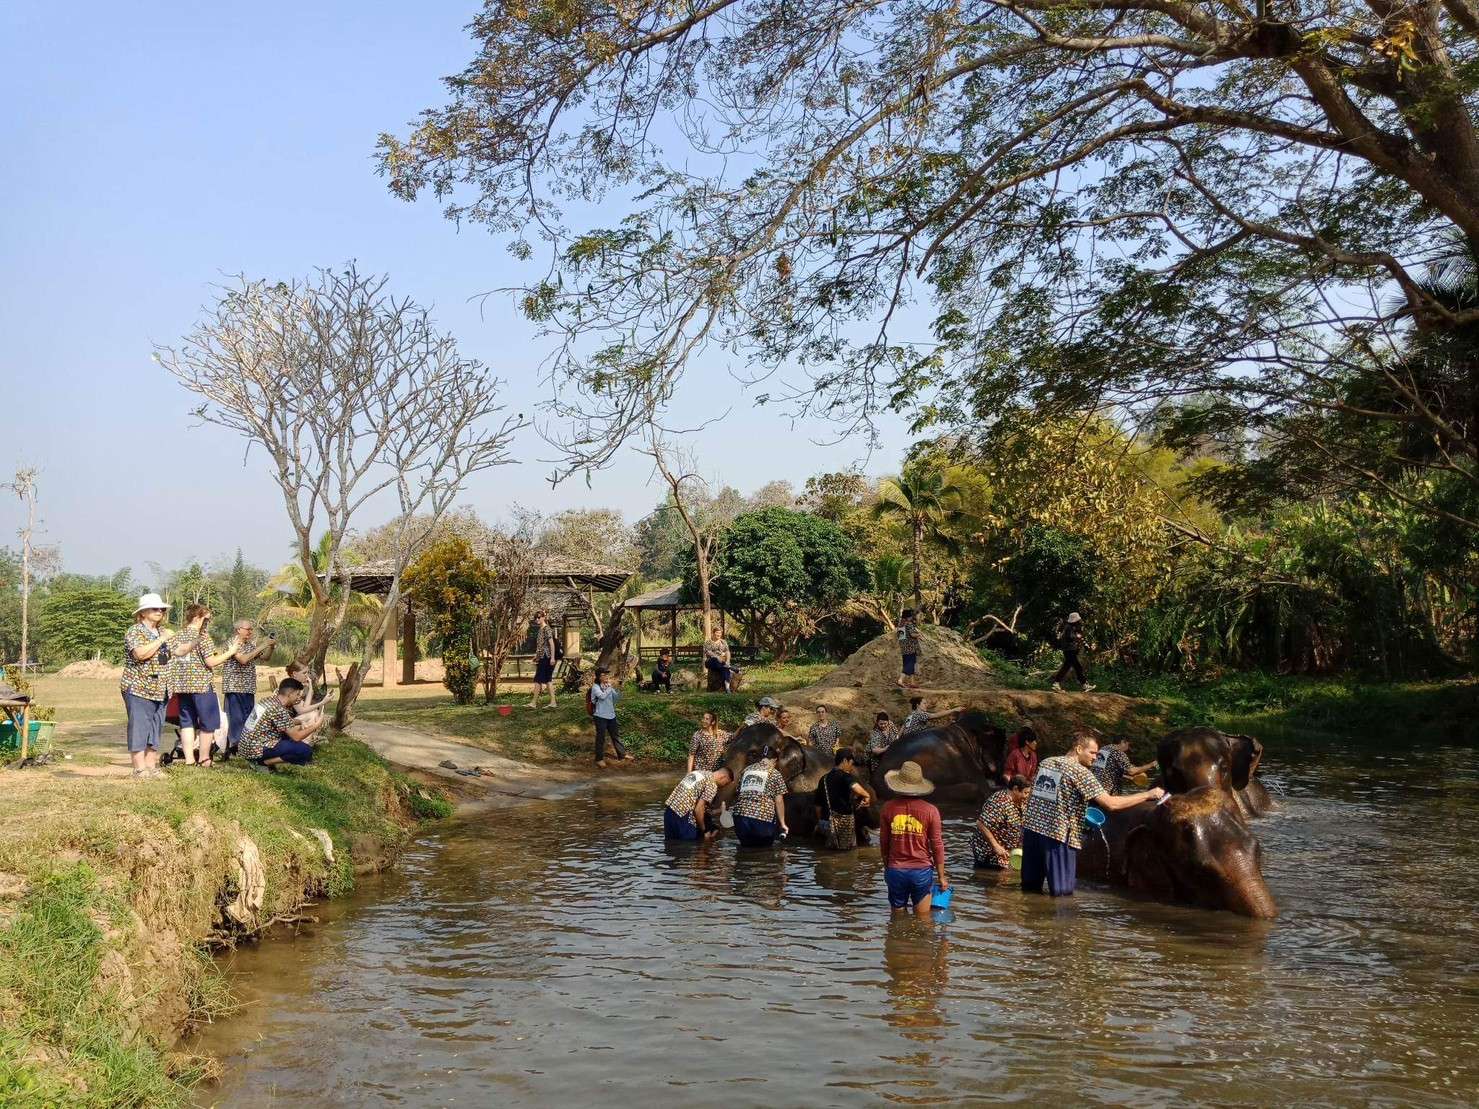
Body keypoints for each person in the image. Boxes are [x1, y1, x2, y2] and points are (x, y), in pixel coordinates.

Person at [1020, 733, 1165, 897]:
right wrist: (1148, 795)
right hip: (1058, 836)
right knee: (1062, 897)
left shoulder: (1047, 762)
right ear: (1079, 749)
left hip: (1031, 832)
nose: (1096, 758)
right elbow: (1111, 804)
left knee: (1029, 892)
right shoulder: (1080, 772)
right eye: (1093, 753)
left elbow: (1041, 795)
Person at [167, 603, 240, 768]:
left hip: (182, 686)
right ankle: (204, 759)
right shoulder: (202, 637)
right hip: (201, 686)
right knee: (207, 724)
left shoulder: (177, 635)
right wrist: (231, 651)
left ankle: (189, 760)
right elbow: (211, 661)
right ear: (197, 617)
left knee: (186, 723)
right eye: (206, 618)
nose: (208, 622)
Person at [878, 761, 949, 916]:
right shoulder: (931, 811)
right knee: (923, 921)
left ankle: (897, 940)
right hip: (921, 872)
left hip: (896, 870)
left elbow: (884, 842)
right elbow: (937, 845)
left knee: (896, 921)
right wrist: (942, 877)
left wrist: (887, 868)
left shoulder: (887, 808)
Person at [121, 593, 175, 779]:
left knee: (155, 728)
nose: (159, 611)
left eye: (162, 609)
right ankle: (139, 768)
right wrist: (161, 640)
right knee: (139, 727)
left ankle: (151, 766)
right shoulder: (134, 631)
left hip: (162, 689)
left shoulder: (163, 632)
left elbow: (178, 651)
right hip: (139, 687)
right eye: (155, 608)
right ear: (143, 612)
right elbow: (140, 654)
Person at [239, 677, 324, 768]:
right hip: (255, 750)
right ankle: (262, 763)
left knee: (288, 737)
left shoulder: (268, 701)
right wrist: (316, 725)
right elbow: (297, 737)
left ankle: (263, 761)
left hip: (246, 746)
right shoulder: (278, 709)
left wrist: (300, 722)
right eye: (297, 694)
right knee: (305, 750)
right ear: (290, 694)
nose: (299, 698)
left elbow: (284, 721)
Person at [221, 618, 275, 759]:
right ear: (238, 629)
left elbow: (266, 658)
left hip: (248, 688)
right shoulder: (231, 643)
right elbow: (243, 659)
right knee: (235, 719)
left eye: (251, 629)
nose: (250, 632)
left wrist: (271, 646)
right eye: (248, 629)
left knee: (248, 719)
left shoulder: (250, 645)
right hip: (235, 687)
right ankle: (235, 747)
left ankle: (244, 747)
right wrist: (263, 645)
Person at [814, 747, 872, 850]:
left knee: (830, 852)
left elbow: (817, 806)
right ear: (845, 761)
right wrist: (867, 795)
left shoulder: (823, 779)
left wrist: (821, 822)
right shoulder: (845, 776)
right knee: (848, 853)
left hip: (825, 824)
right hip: (842, 824)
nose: (851, 767)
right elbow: (855, 787)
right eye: (851, 763)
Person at [732, 747, 790, 847]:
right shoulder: (775, 774)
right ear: (775, 760)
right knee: (763, 851)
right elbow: (779, 801)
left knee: (745, 850)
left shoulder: (746, 770)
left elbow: (738, 793)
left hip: (739, 818)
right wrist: (783, 823)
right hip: (762, 819)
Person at [972, 775, 1031, 868]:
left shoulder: (1021, 802)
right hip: (989, 852)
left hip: (1008, 851)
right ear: (1015, 789)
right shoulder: (999, 802)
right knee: (997, 878)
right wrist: (996, 846)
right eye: (1025, 793)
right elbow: (981, 824)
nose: (1027, 796)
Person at [664, 766, 734, 841]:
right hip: (684, 815)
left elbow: (693, 800)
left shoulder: (696, 773)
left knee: (670, 845)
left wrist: (719, 810)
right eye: (726, 783)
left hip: (669, 811)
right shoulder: (712, 784)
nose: (723, 787)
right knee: (687, 847)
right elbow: (698, 810)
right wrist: (705, 830)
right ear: (723, 777)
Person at [590, 668, 633, 767]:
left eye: (607, 675)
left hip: (611, 715)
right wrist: (609, 687)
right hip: (600, 716)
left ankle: (622, 755)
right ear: (599, 677)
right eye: (604, 675)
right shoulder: (595, 687)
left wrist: (619, 688)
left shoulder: (608, 686)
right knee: (600, 738)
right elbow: (602, 696)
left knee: (616, 736)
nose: (606, 676)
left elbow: (616, 698)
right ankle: (599, 759)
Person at [1092, 737, 1157, 795]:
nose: (1128, 748)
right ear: (1123, 742)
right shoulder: (1118, 752)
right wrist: (1152, 764)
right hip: (1108, 791)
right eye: (1128, 744)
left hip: (1095, 788)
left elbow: (1107, 770)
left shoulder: (1103, 749)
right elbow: (1131, 771)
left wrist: (1129, 778)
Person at [1051, 611, 1095, 692]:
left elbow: (1078, 639)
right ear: (1075, 620)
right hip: (1069, 651)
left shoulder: (1072, 628)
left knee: (1068, 667)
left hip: (1070, 651)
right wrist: (1077, 637)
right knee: (1077, 667)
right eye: (1078, 620)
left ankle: (1056, 684)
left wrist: (1086, 646)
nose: (1079, 621)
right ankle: (1084, 685)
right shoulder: (1068, 628)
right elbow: (1069, 637)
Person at [528, 611, 559, 709]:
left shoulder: (547, 629)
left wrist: (553, 657)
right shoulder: (541, 629)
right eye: (535, 618)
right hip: (542, 657)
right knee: (547, 680)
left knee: (538, 680)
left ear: (543, 617)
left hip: (546, 657)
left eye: (539, 617)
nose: (537, 619)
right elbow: (541, 646)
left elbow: (551, 644)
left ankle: (533, 703)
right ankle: (553, 702)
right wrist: (536, 656)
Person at [897, 608, 922, 688]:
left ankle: (912, 682)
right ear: (908, 617)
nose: (912, 617)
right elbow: (912, 634)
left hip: (904, 648)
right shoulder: (909, 624)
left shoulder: (901, 625)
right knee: (909, 665)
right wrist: (918, 634)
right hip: (911, 648)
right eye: (911, 616)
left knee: (909, 664)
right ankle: (900, 680)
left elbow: (901, 638)